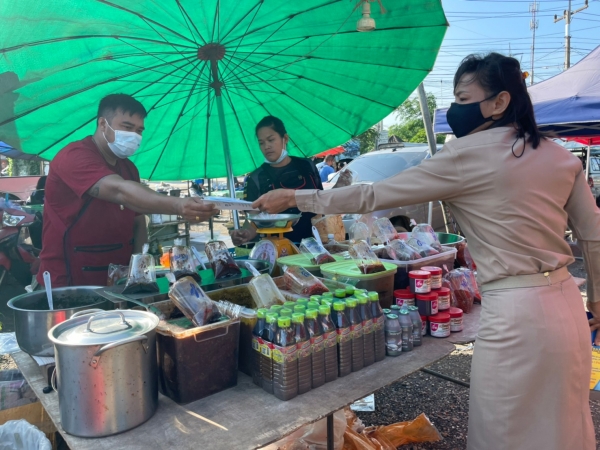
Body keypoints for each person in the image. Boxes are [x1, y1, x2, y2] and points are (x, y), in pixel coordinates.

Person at [253, 53, 600, 450]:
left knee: (504, 430)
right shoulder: (559, 156)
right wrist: (598, 300)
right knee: (564, 425)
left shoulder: (466, 154)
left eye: (462, 98)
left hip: (515, 313)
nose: (453, 108)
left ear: (500, 102)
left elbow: (373, 195)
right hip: (567, 306)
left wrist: (296, 197)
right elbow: (593, 236)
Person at [38, 94, 218, 287]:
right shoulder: (74, 156)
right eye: (127, 127)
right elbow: (119, 191)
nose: (134, 135)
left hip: (119, 277)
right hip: (69, 279)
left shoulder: (129, 168)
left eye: (139, 130)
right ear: (103, 124)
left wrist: (139, 268)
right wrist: (178, 205)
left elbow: (138, 220)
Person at [230, 116, 349, 245]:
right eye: (261, 143)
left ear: (285, 138)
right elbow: (253, 219)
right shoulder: (256, 178)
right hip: (276, 248)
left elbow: (320, 201)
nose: (266, 146)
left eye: (271, 140)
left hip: (315, 245)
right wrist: (245, 234)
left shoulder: (307, 165)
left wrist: (339, 188)